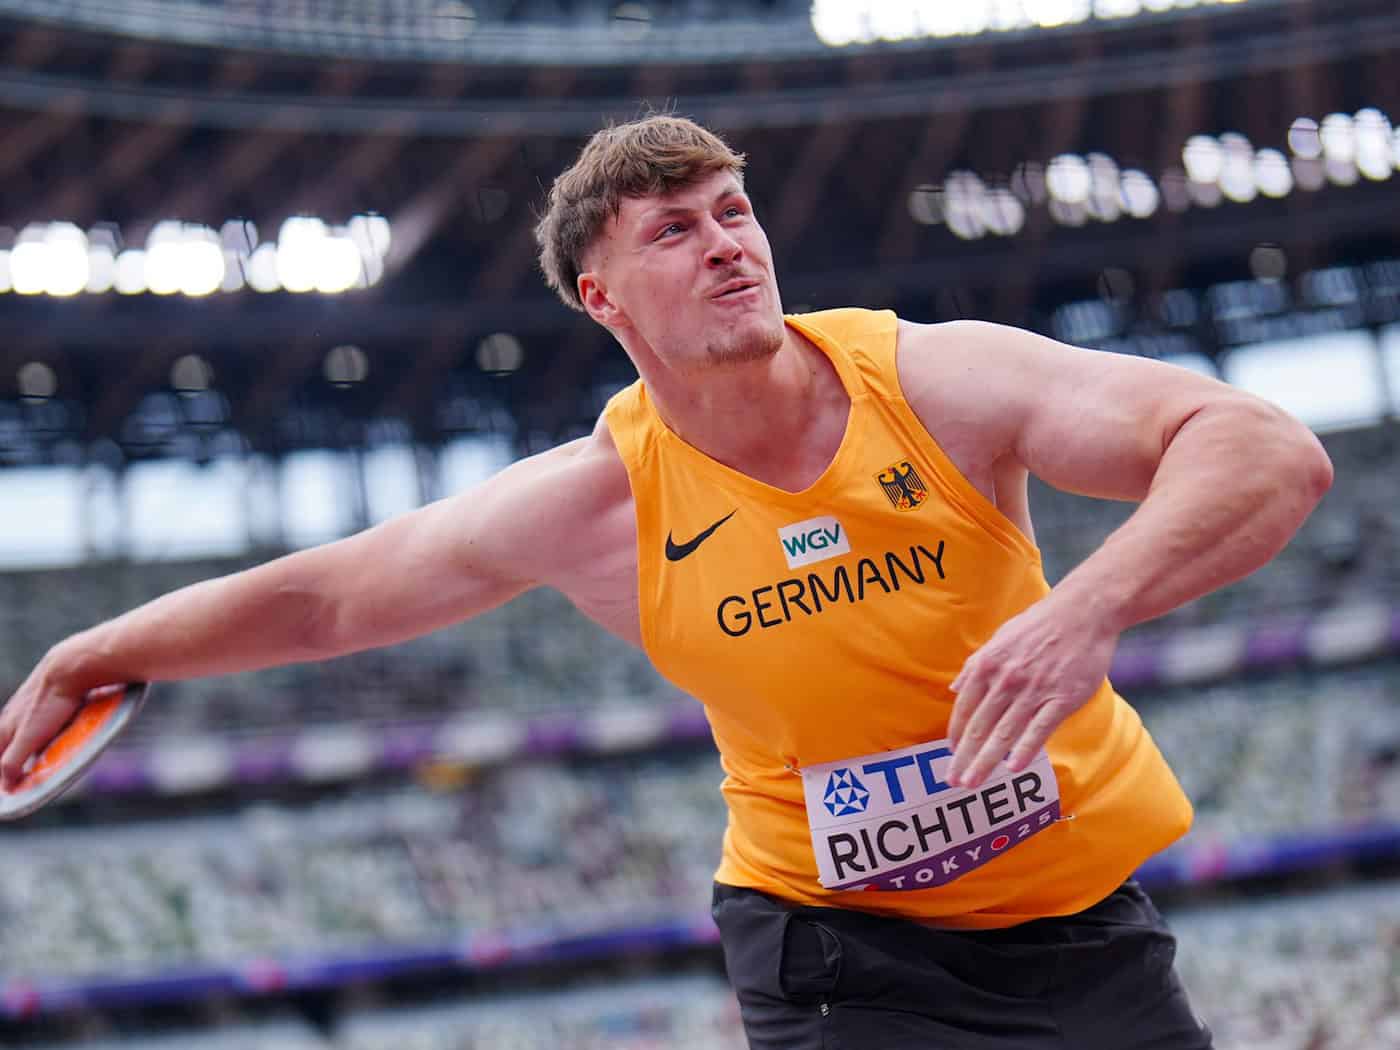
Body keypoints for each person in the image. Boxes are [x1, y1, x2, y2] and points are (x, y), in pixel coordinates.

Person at [0, 115, 1331, 1048]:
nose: (728, 243)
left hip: (1082, 924)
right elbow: (339, 594)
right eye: (677, 229)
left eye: (737, 211)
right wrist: (100, 646)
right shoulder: (600, 503)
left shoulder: (936, 381)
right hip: (839, 954)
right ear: (602, 295)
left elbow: (1263, 449)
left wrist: (1083, 607)